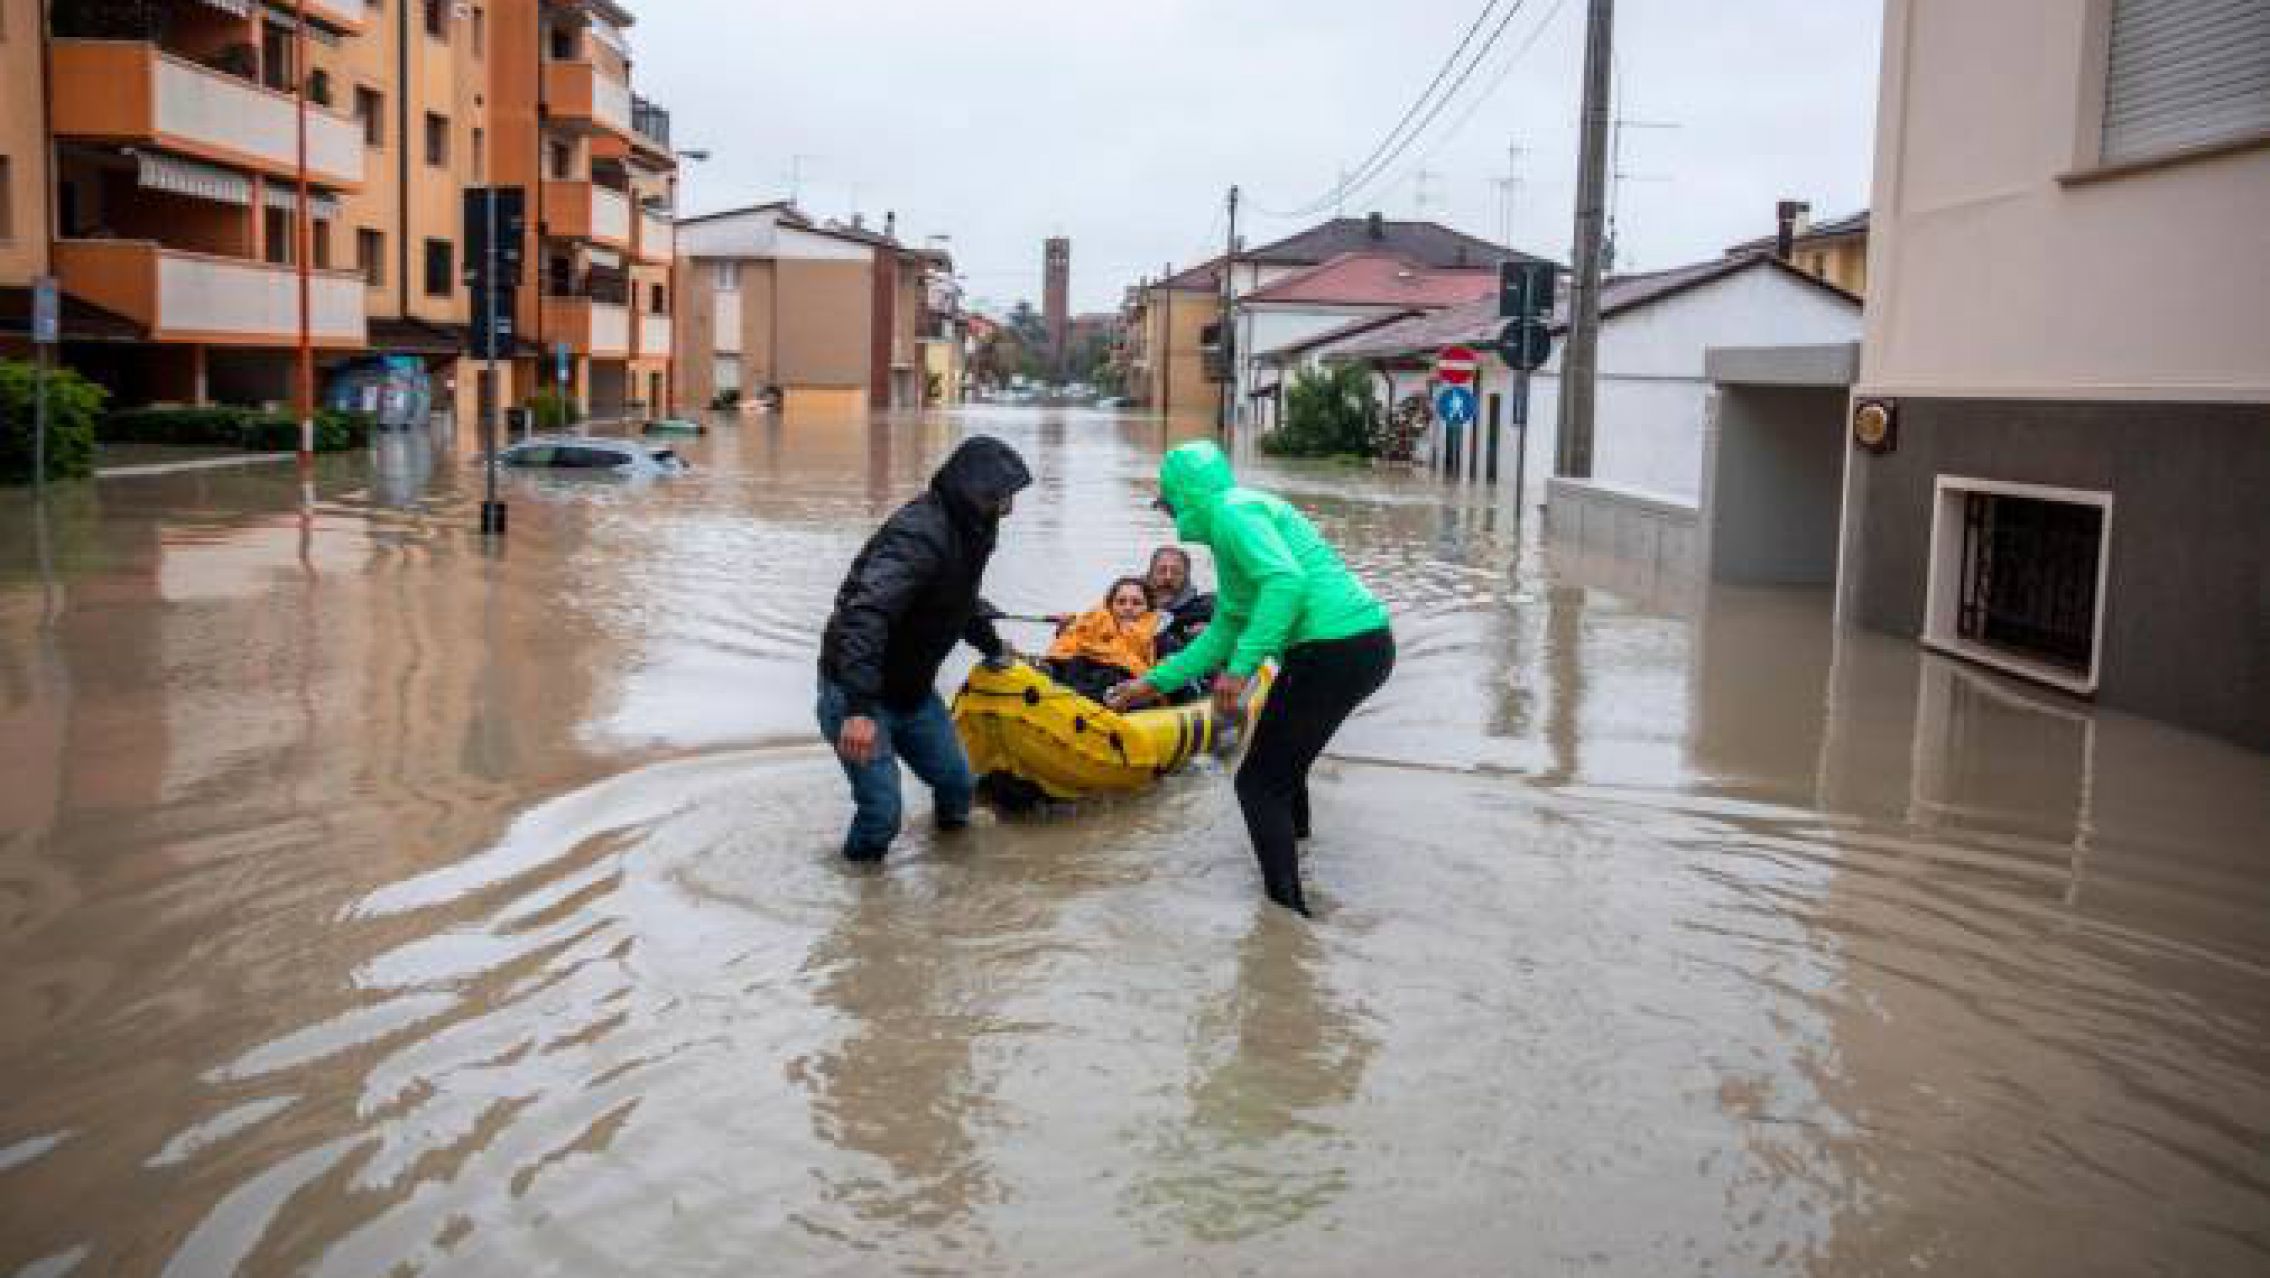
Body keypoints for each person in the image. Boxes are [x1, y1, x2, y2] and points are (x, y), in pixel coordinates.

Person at [1107, 441, 1394, 917]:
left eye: (1168, 504)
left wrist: (1240, 670)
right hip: (1355, 645)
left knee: (1258, 785)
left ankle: (1286, 919)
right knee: (1284, 771)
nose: (1169, 515)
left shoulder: (1232, 514)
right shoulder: (1235, 524)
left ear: (1186, 496)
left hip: (1336, 648)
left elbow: (1286, 583)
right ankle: (1299, 859)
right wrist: (1151, 683)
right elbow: (1225, 627)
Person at [817, 435, 1033, 862]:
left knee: (959, 785)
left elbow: (959, 602)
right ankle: (858, 887)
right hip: (859, 695)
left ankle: (951, 864)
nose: (1010, 506)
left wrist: (993, 647)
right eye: (1004, 495)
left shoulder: (974, 530)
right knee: (882, 816)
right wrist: (858, 710)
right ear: (976, 491)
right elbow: (866, 615)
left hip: (912, 692)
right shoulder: (918, 535)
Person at [1043, 575, 1160, 700]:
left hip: (1126, 687)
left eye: (1136, 603)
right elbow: (1064, 649)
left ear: (1148, 607)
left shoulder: (1159, 635)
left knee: (1109, 675)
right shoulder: (1092, 624)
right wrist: (1063, 631)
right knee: (1075, 663)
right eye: (1121, 602)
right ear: (1110, 605)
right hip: (1079, 680)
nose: (1128, 608)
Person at [1145, 545, 1215, 660]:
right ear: (1151, 573)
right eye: (1162, 570)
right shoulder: (1130, 604)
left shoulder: (1205, 607)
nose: (1168, 577)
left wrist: (1211, 632)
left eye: (1176, 572)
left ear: (1186, 576)